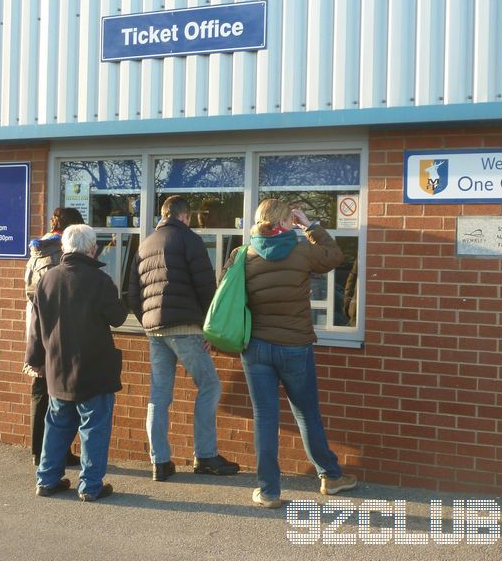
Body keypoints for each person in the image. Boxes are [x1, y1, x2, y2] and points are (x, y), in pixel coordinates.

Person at [223, 199, 358, 509]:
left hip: (256, 347)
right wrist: (310, 226)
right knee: (307, 413)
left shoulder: (243, 254)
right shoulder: (301, 249)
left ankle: (269, 491)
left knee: (265, 418)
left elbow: (227, 293)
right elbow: (336, 256)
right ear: (286, 221)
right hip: (295, 346)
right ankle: (331, 477)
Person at [128, 196, 240, 482]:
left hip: (155, 330)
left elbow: (133, 293)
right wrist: (208, 327)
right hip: (185, 329)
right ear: (185, 217)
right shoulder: (189, 240)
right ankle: (204, 456)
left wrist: (149, 322)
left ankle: (160, 462)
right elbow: (205, 285)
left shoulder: (145, 243)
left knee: (159, 396)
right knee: (210, 386)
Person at [25, 224, 127, 501]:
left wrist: (34, 360)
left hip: (57, 366)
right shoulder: (99, 280)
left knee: (57, 424)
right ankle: (90, 486)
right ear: (92, 249)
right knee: (93, 427)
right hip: (93, 368)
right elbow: (118, 317)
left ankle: (46, 480)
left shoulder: (47, 279)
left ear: (64, 248)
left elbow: (36, 325)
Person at [23, 207, 84, 467]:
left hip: (36, 329)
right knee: (62, 393)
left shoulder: (37, 250)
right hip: (60, 331)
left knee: (41, 391)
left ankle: (39, 451)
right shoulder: (63, 253)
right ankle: (57, 452)